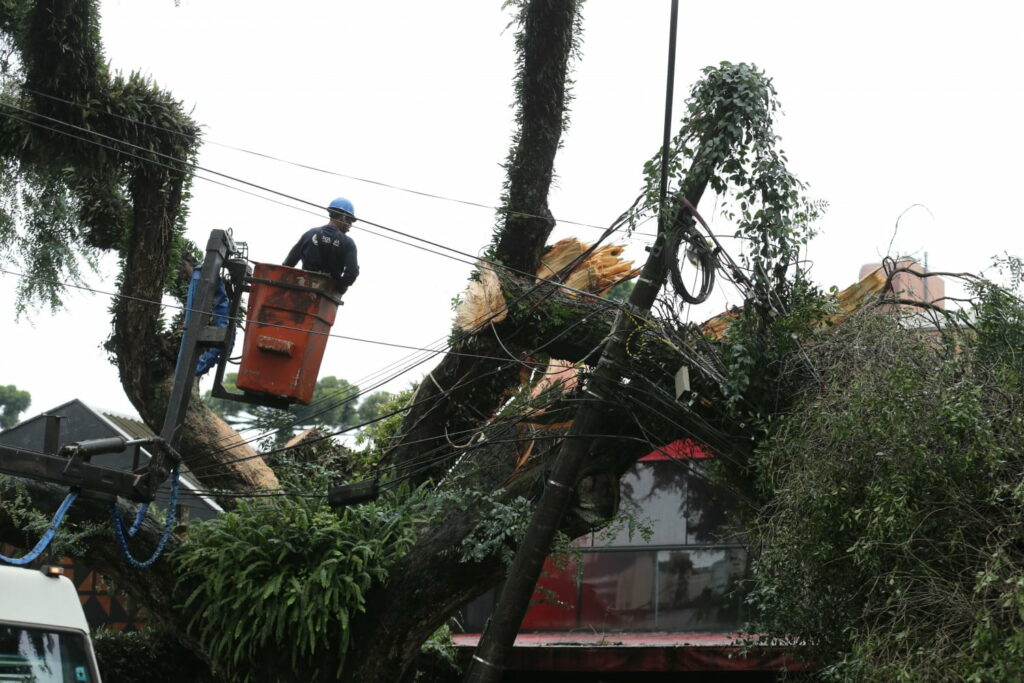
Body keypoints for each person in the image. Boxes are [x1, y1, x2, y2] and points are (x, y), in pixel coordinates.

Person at [284, 197, 360, 295]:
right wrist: (339, 288)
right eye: (349, 221)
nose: (350, 227)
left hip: (302, 292)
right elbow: (352, 273)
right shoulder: (348, 243)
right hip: (326, 298)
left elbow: (288, 263)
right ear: (343, 217)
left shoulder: (310, 234)